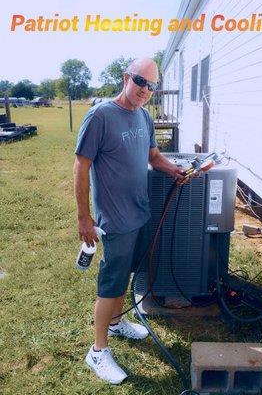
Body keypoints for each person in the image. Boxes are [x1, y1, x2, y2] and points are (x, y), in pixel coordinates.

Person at [74, 57, 185, 384]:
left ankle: (116, 323)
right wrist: (84, 217)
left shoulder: (145, 118)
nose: (145, 90)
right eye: (140, 81)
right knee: (110, 284)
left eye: (151, 86)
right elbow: (81, 167)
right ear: (126, 77)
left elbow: (152, 156)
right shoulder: (101, 116)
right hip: (114, 220)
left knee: (126, 273)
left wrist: (172, 169)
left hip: (140, 213)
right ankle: (98, 351)